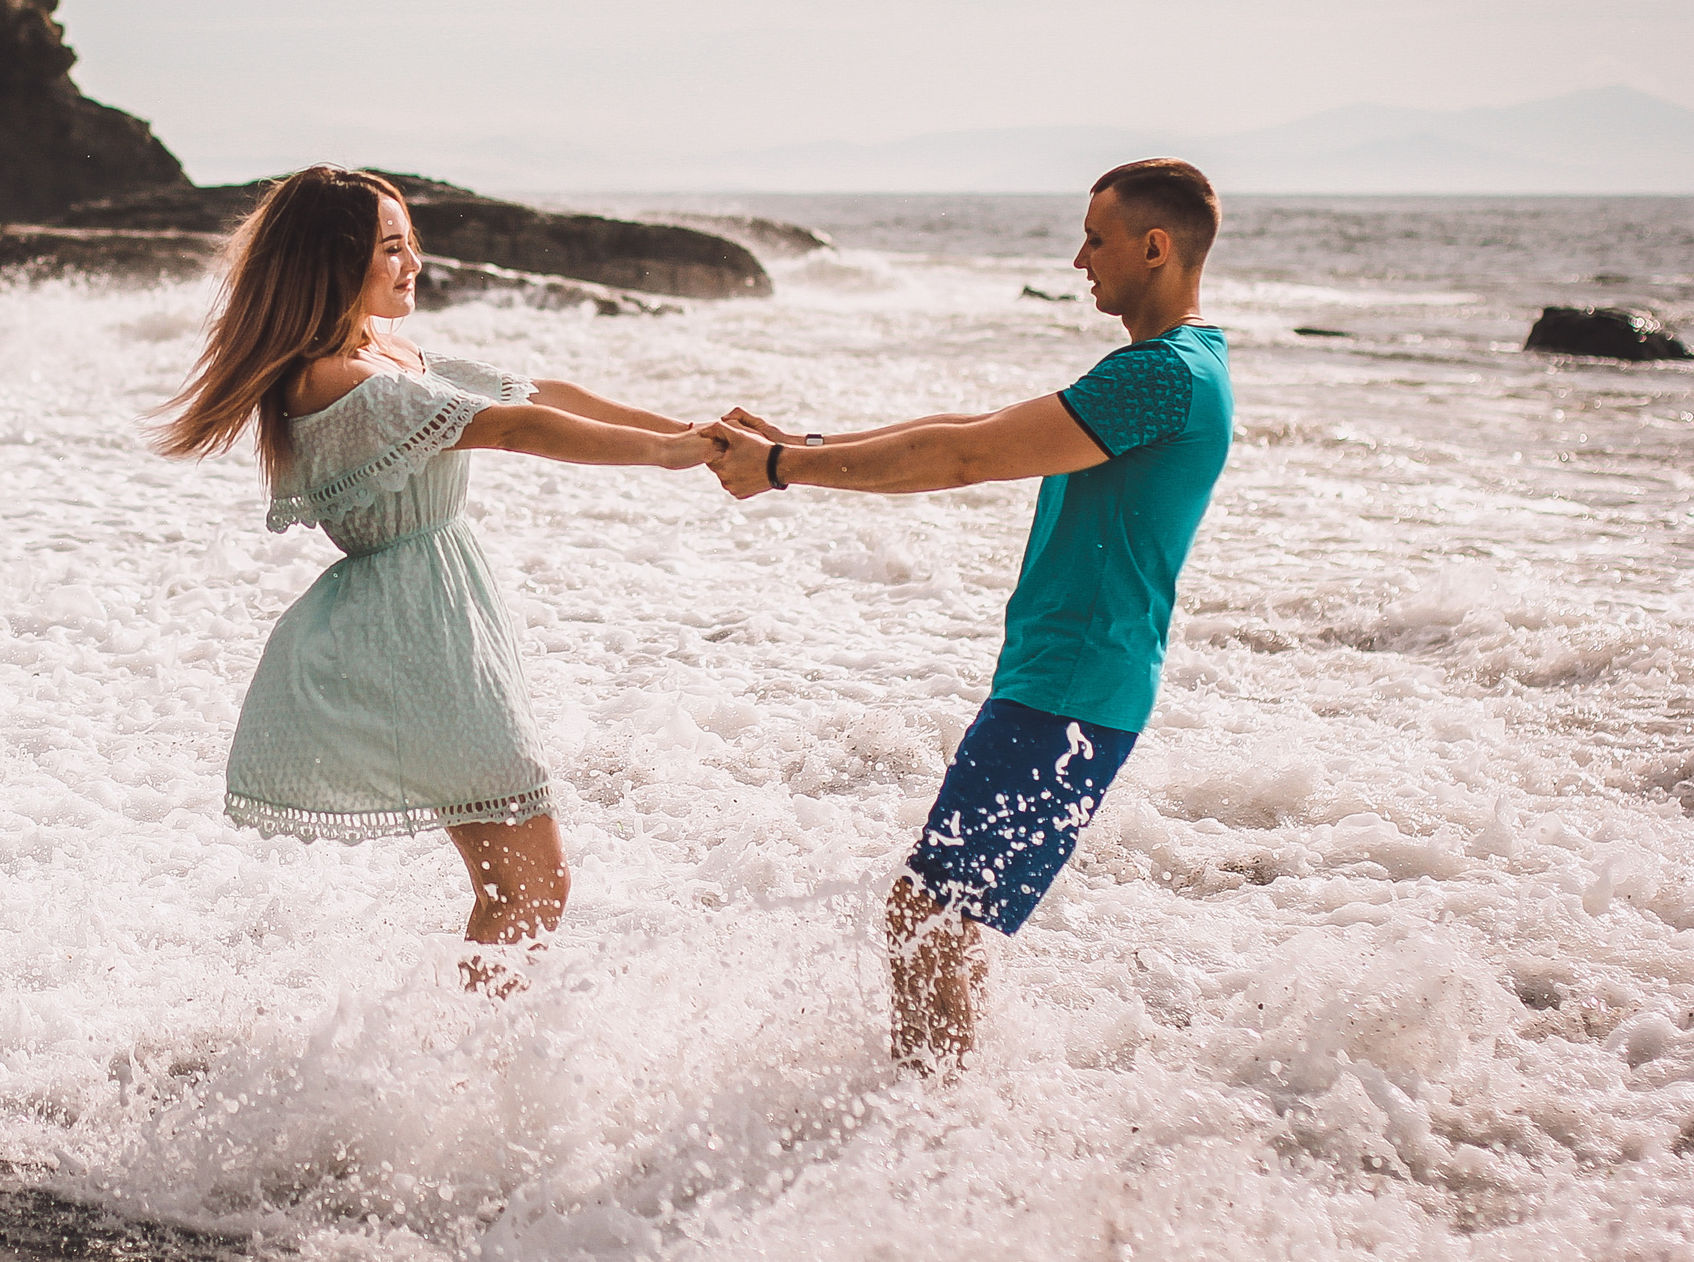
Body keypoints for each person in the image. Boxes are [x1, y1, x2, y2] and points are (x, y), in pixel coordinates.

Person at [705, 159, 1233, 1074]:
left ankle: (931, 1125)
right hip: (1070, 682)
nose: (1078, 258)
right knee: (946, 916)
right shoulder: (1166, 370)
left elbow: (964, 457)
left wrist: (782, 470)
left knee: (928, 912)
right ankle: (949, 1120)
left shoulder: (1160, 378)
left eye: (1095, 237)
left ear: (1156, 247)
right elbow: (978, 423)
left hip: (1071, 687)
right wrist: (801, 442)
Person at [156, 165, 723, 980]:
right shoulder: (341, 380)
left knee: (523, 884)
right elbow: (515, 428)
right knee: (531, 884)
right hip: (417, 633)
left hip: (437, 615)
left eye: (411, 242)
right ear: (334, 257)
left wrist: (690, 429)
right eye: (391, 247)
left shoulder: (379, 351)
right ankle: (463, 1073)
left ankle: (458, 1067)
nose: (414, 262)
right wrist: (669, 454)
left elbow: (534, 391)